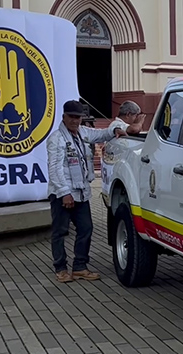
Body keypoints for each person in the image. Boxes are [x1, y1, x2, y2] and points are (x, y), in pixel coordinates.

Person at [47, 100, 126, 283]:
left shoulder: (83, 132)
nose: (75, 121)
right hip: (62, 193)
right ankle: (60, 268)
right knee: (60, 231)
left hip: (81, 191)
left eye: (78, 117)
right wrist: (64, 193)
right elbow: (54, 169)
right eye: (71, 117)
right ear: (64, 117)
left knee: (86, 228)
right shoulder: (56, 138)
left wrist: (116, 129)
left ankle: (80, 266)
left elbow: (102, 134)